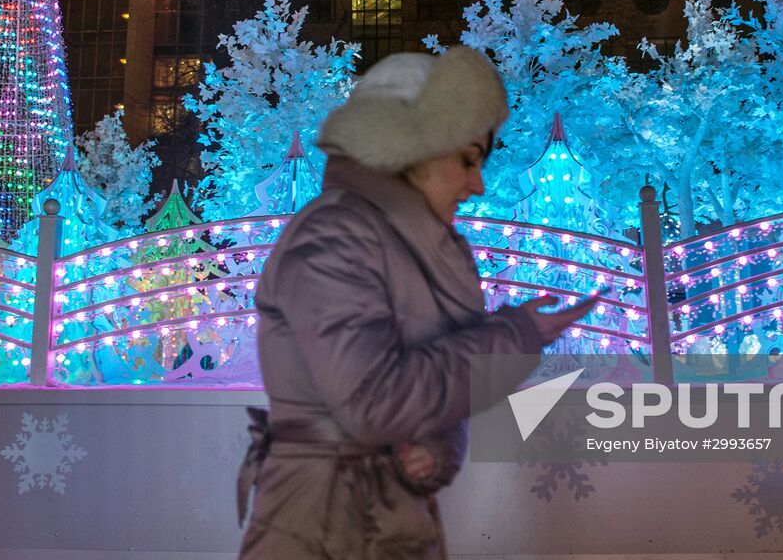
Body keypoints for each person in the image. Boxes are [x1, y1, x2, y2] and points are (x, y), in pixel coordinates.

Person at [238, 46, 600, 559]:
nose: (477, 185)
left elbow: (433, 391)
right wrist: (512, 338)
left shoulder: (423, 251)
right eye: (467, 159)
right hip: (321, 527)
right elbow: (377, 402)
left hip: (387, 521)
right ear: (409, 150)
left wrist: (437, 451)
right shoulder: (334, 237)